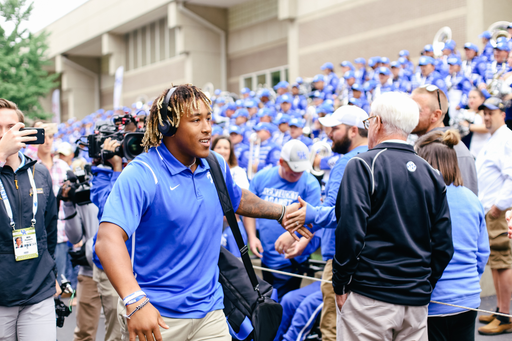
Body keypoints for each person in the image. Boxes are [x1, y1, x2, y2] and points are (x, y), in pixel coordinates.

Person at [94, 84, 309, 341]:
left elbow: (237, 198)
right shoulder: (142, 173)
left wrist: (281, 211)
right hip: (157, 316)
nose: (208, 127)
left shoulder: (215, 164)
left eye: (208, 118)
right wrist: (135, 301)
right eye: (196, 120)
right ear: (168, 127)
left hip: (211, 312)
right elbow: (107, 240)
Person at [326, 92, 453, 341]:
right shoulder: (431, 173)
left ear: (378, 122)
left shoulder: (362, 165)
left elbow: (350, 231)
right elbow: (444, 246)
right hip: (414, 301)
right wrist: (423, 285)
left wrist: (340, 284)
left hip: (370, 298)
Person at [278, 105, 369, 341]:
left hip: (340, 259)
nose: (329, 133)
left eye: (335, 128)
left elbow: (335, 211)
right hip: (367, 260)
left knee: (332, 331)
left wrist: (300, 223)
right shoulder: (374, 158)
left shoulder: (346, 163)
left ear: (353, 131)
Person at [415, 130, 490, 341]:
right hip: (467, 297)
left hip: (433, 301)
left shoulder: (422, 199)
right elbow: (482, 253)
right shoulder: (472, 199)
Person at [0, 98, 59, 341]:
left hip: (38, 291)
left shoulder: (40, 172)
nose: (6, 134)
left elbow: (50, 228)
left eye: (11, 127)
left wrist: (52, 271)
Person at [245, 139, 321, 300]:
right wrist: (252, 236)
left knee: (284, 304)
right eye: (293, 171)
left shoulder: (310, 183)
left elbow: (315, 219)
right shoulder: (262, 177)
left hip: (292, 261)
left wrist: (301, 243)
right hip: (266, 256)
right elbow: (248, 208)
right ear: (281, 162)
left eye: (301, 171)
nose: (297, 175)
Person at [475, 97, 512, 335]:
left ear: (502, 114)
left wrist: (499, 206)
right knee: (496, 263)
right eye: (484, 113)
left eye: (491, 112)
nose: (487, 117)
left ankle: (506, 316)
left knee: (503, 261)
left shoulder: (506, 138)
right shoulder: (495, 138)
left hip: (498, 211)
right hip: (491, 210)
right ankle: (500, 309)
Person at [411, 85, 478, 195]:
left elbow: (465, 204)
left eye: (417, 110)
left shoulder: (447, 148)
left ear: (436, 115)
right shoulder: (425, 146)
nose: (410, 114)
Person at [61, 164, 102, 341]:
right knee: (84, 334)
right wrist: (68, 204)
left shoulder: (125, 181)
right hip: (89, 271)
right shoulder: (83, 186)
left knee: (119, 334)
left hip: (121, 271)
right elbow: (75, 235)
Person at [212, 136, 249, 257]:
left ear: (231, 151)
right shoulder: (204, 169)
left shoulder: (238, 172)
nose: (222, 151)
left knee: (233, 258)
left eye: (226, 148)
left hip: (231, 222)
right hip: (211, 222)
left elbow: (242, 198)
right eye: (219, 147)